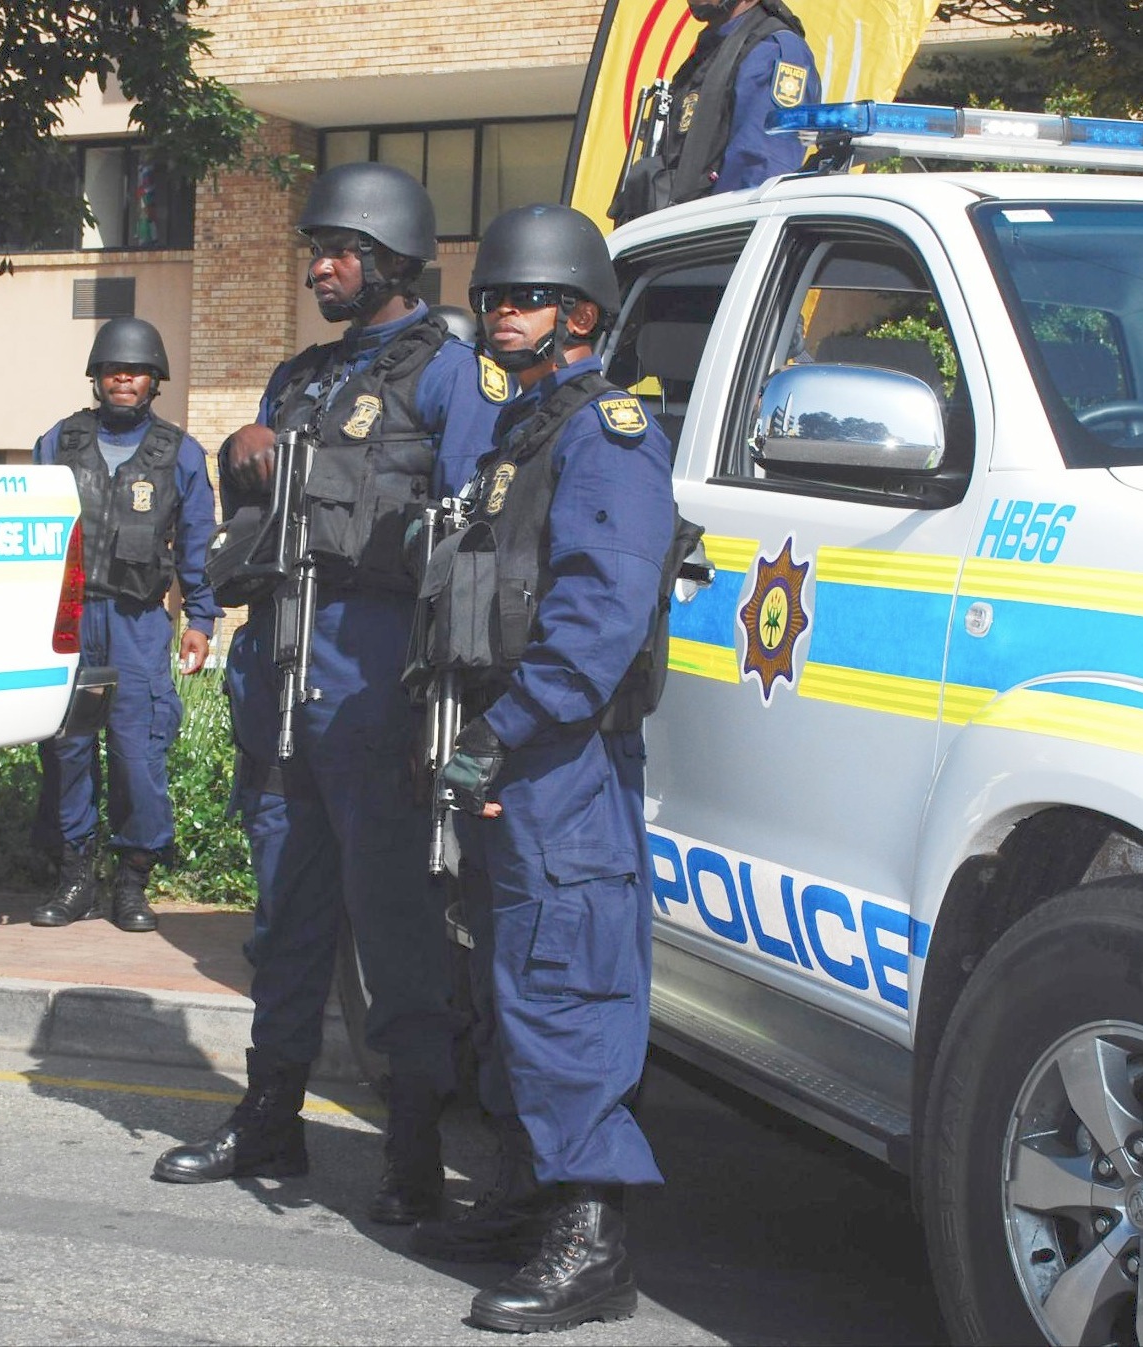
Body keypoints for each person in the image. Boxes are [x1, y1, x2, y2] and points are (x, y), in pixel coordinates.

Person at [152, 161, 495, 1225]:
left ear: (394, 257)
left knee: (396, 928)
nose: (322, 266)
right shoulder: (298, 378)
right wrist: (239, 450)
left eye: (341, 249)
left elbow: (476, 530)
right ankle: (269, 1115)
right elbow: (251, 529)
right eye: (317, 249)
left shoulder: (448, 375)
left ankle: (413, 1144)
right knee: (284, 923)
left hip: (379, 684)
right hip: (286, 681)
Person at [408, 204, 676, 1333]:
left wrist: (507, 728)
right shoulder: (519, 435)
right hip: (511, 748)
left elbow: (600, 614)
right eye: (490, 299)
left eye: (517, 299)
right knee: (509, 983)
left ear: (577, 315)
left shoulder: (605, 434)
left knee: (569, 983)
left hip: (558, 756)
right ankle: (529, 1197)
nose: (496, 315)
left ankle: (592, 1236)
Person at [29, 317, 219, 933]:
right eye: (113, 370)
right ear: (97, 376)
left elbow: (197, 544)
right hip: (71, 621)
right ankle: (75, 878)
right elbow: (29, 533)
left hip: (138, 622)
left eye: (135, 371)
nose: (123, 379)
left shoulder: (180, 454)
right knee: (67, 750)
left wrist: (202, 618)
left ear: (154, 379)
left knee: (139, 753)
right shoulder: (58, 442)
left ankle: (133, 881)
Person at [612, 0, 821, 223]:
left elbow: (759, 179)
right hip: (671, 236)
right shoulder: (710, 52)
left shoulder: (772, 51)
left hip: (714, 244)